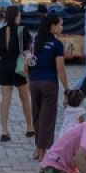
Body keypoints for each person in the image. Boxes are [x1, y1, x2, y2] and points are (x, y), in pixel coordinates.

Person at [29, 13, 73, 160]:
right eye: (60, 24)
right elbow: (60, 68)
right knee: (47, 117)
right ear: (52, 26)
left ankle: (37, 148)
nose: (62, 27)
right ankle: (43, 151)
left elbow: (28, 61)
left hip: (34, 81)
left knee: (37, 115)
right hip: (49, 83)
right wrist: (66, 88)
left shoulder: (35, 42)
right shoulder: (57, 44)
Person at [0, 5, 33, 143]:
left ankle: (4, 131)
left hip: (4, 66)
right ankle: (29, 127)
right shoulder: (23, 30)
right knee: (24, 98)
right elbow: (27, 51)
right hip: (19, 66)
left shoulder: (0, 31)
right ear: (17, 16)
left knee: (5, 99)